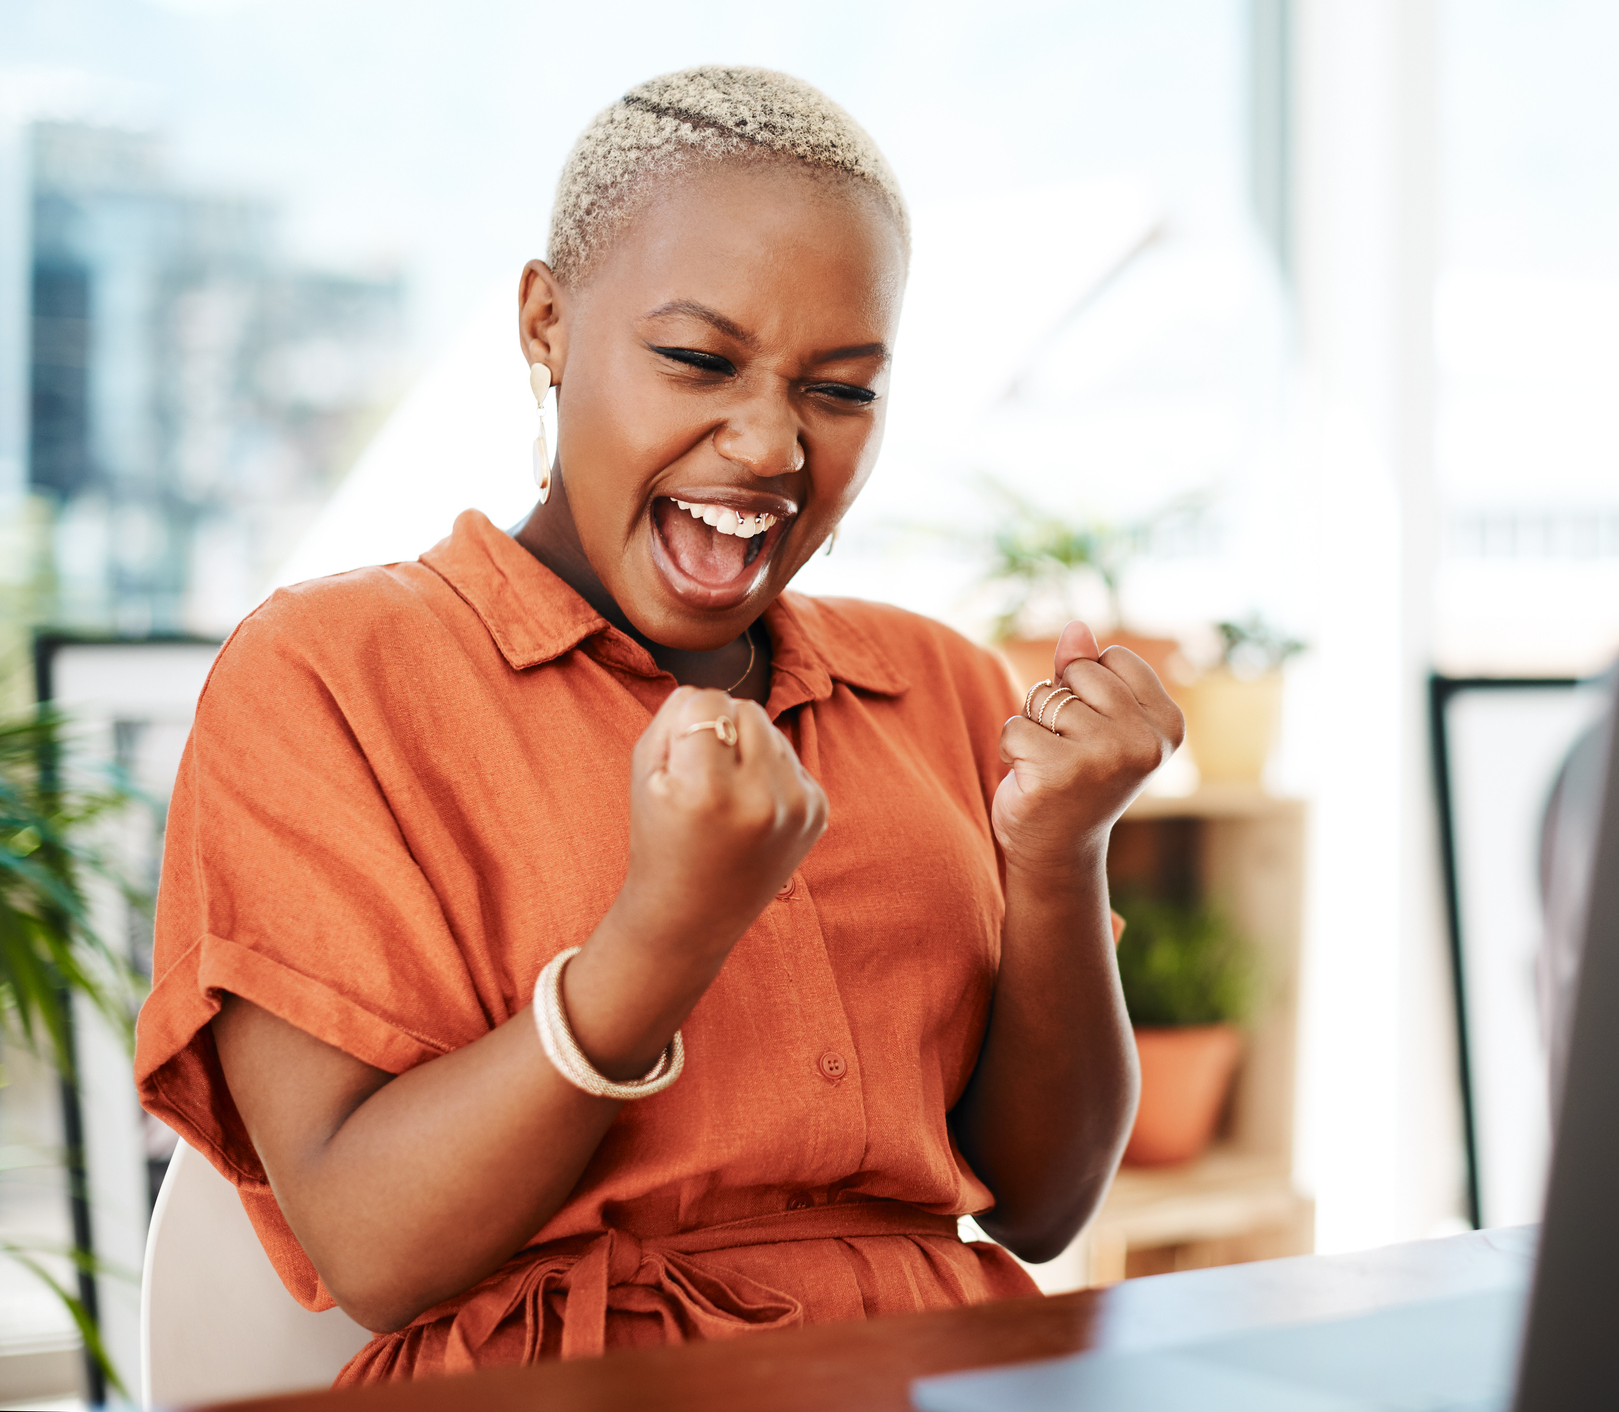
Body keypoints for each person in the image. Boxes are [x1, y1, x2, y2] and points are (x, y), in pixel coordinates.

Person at [133, 65, 1179, 1386]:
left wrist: (1057, 852)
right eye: (697, 359)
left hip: (932, 1369)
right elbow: (373, 1250)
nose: (769, 444)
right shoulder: (329, 674)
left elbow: (1039, 1205)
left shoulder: (937, 686)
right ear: (547, 323)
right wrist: (664, 931)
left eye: (841, 389)